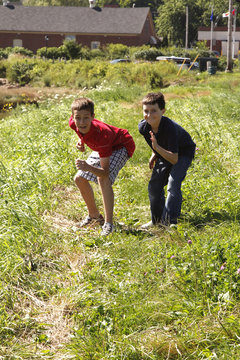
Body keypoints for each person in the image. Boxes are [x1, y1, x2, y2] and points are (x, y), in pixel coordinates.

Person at [69, 97, 135, 236]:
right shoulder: (73, 123)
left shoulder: (102, 136)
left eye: (86, 118)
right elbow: (81, 129)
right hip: (103, 147)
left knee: (102, 179)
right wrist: (81, 141)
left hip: (121, 146)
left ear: (93, 117)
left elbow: (105, 172)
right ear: (73, 116)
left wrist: (88, 166)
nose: (81, 122)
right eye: (78, 118)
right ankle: (94, 216)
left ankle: (109, 224)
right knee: (79, 179)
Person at [138, 92, 196, 228]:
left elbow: (175, 159)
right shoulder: (143, 127)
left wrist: (157, 149)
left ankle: (169, 222)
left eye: (154, 111)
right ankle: (157, 220)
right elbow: (154, 143)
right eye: (146, 111)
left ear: (162, 111)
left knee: (173, 183)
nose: (149, 115)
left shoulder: (169, 127)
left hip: (182, 152)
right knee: (154, 185)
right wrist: (155, 153)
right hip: (164, 151)